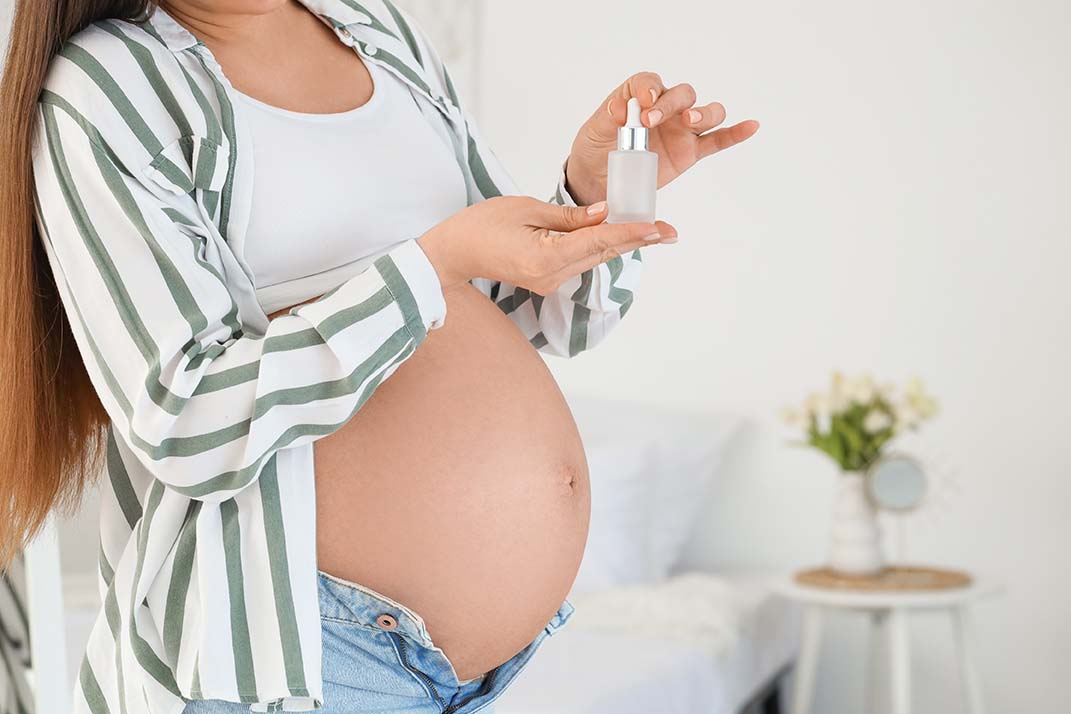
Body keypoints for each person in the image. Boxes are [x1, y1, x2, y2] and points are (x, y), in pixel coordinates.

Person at [0, 0, 758, 711]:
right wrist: (427, 266)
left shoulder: (375, 26)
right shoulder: (109, 84)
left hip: (474, 676)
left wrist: (596, 191)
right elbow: (185, 418)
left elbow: (519, 314)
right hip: (297, 659)